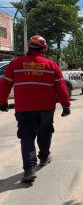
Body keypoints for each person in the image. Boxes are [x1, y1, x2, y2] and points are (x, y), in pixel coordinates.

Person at [0, 35, 71, 183]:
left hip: (24, 108)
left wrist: (3, 102)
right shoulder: (51, 65)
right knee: (45, 132)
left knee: (27, 137)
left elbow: (5, 84)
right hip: (46, 108)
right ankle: (44, 157)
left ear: (29, 47)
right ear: (44, 48)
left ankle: (29, 170)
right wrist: (66, 105)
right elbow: (61, 87)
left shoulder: (15, 63)